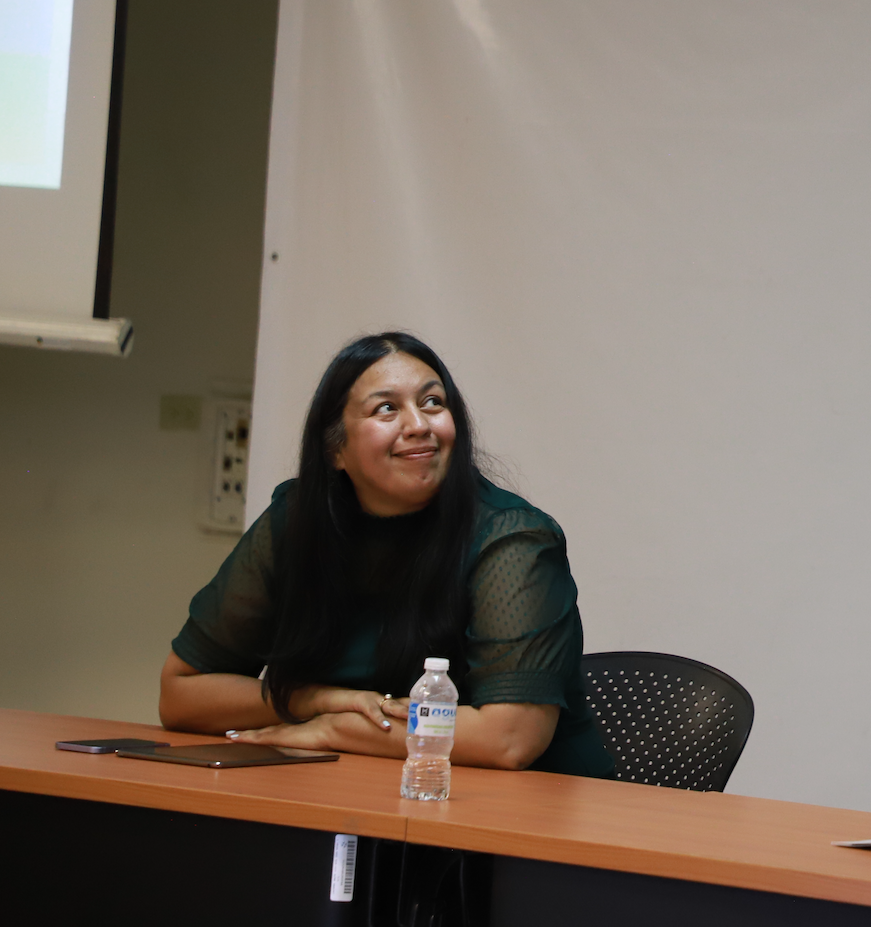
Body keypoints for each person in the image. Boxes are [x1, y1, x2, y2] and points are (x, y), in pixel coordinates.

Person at [159, 332, 613, 778]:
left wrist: (338, 729)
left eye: (433, 402)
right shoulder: (296, 521)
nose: (419, 425)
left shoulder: (511, 539)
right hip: (367, 790)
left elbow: (508, 739)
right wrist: (318, 701)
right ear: (335, 448)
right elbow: (181, 694)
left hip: (530, 808)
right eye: (386, 409)